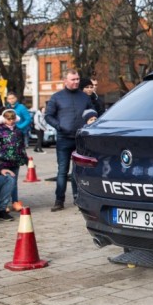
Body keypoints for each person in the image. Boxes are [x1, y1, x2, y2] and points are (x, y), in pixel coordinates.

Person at [45, 69, 93, 212]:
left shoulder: (84, 97)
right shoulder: (56, 97)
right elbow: (48, 116)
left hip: (80, 139)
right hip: (63, 138)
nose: (76, 82)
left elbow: (92, 113)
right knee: (62, 170)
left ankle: (77, 198)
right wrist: (59, 126)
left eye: (77, 79)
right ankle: (59, 200)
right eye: (73, 79)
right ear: (65, 81)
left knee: (77, 170)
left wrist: (90, 123)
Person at [0, 108, 28, 211]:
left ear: (16, 119)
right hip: (4, 163)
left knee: (14, 182)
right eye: (8, 118)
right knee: (6, 183)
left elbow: (22, 146)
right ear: (3, 119)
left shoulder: (18, 131)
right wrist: (3, 157)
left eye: (13, 118)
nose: (11, 120)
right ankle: (4, 203)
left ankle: (15, 202)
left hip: (16, 161)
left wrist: (25, 159)